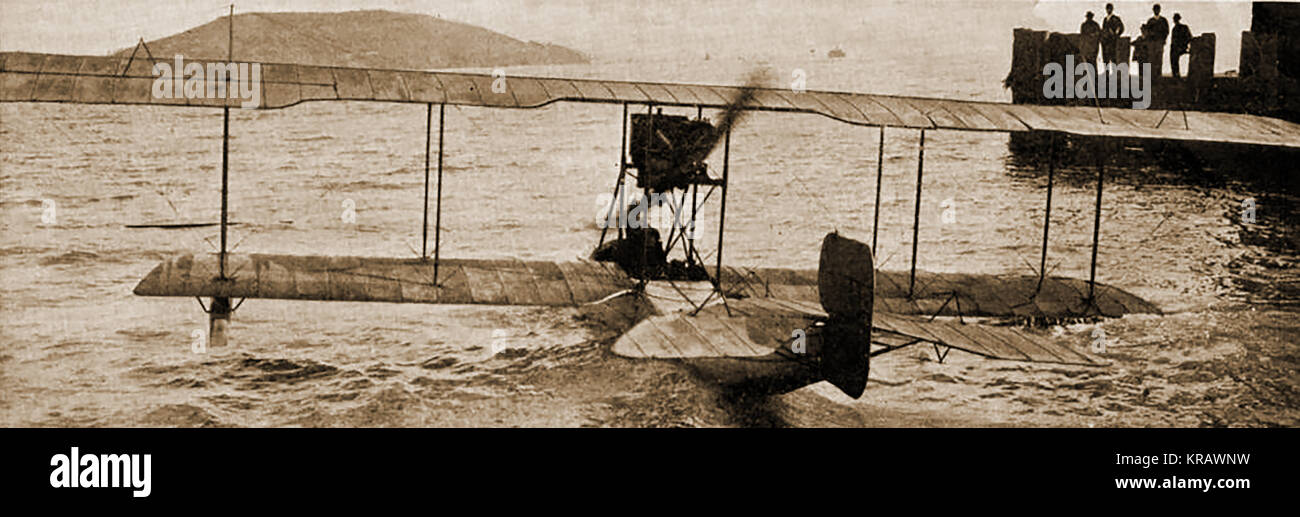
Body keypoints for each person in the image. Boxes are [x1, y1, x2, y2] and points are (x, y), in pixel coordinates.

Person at [1141, 4, 1170, 76]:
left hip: (1159, 42)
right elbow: (1147, 31)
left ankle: (1158, 74)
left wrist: (1163, 39)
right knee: (1151, 58)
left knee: (1159, 58)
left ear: (1160, 10)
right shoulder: (1150, 21)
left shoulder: (1163, 20)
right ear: (1153, 10)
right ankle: (1152, 75)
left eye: (1158, 9)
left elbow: (1166, 31)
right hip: (1151, 42)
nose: (1156, 11)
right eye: (1155, 9)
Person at [1170, 13, 1192, 78]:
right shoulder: (1175, 29)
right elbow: (1173, 41)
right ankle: (1176, 73)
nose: (1175, 20)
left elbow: (1189, 37)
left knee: (1173, 55)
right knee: (1173, 55)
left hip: (1182, 47)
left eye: (1175, 19)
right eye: (1174, 19)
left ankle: (1175, 73)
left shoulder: (1184, 27)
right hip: (1177, 48)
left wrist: (1186, 46)